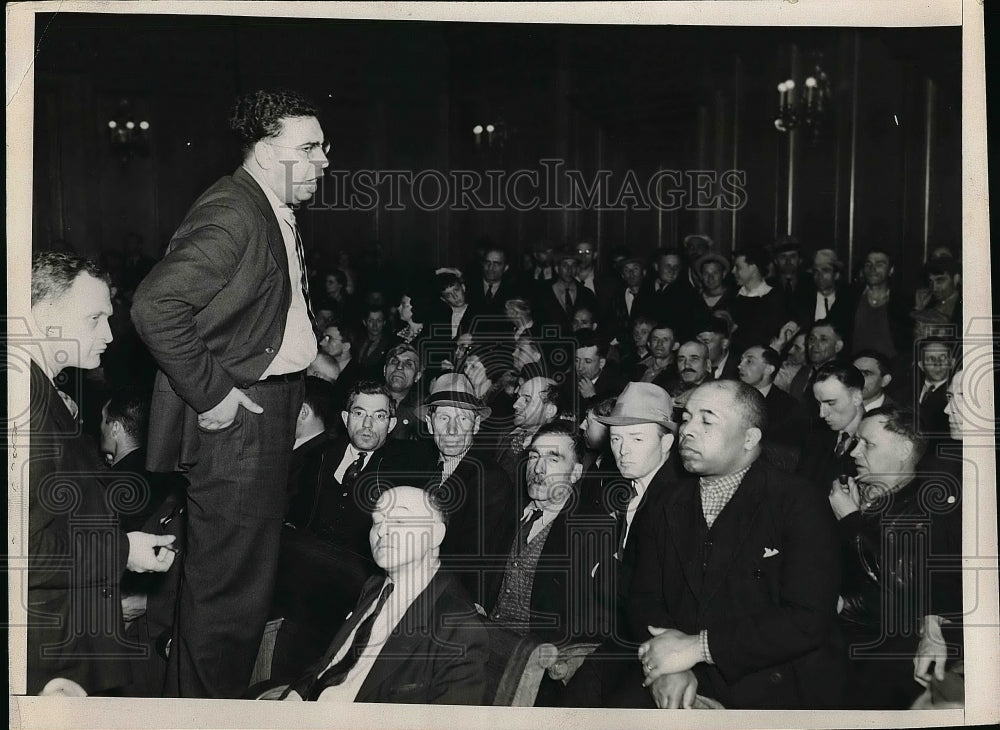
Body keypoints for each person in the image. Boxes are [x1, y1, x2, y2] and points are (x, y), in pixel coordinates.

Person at [131, 90, 327, 697]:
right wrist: (214, 394)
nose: (324, 161)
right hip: (237, 420)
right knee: (230, 603)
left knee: (228, 589)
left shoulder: (264, 203)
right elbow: (154, 306)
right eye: (310, 148)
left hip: (263, 410)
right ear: (267, 152)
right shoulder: (236, 210)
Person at [627, 380, 845, 709]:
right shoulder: (666, 501)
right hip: (679, 675)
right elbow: (643, 597)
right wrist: (667, 669)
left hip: (771, 684)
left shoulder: (797, 500)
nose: (687, 430)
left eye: (707, 420)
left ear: (749, 438)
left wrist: (698, 649)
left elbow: (808, 618)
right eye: (686, 417)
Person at [28, 252, 175, 696]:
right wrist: (122, 551)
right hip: (51, 658)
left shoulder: (41, 391)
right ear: (43, 315)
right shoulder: (26, 405)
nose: (109, 334)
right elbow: (26, 553)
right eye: (95, 319)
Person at [277, 487, 490, 704]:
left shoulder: (458, 627)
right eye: (377, 520)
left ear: (435, 535)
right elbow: (335, 659)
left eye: (399, 521)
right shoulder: (375, 586)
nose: (381, 530)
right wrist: (297, 694)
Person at [829, 406, 962, 709]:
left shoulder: (926, 510)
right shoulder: (863, 494)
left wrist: (851, 521)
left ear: (903, 450)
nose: (854, 452)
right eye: (856, 442)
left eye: (867, 444)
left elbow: (898, 594)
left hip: (877, 651)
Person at [416, 373, 515, 601]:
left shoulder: (490, 480)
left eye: (462, 419)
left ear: (476, 426)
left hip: (448, 601)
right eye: (443, 418)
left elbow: (472, 563)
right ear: (430, 425)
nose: (452, 429)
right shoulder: (420, 468)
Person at [797, 362, 866, 493]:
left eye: (831, 402)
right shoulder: (816, 435)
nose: (822, 414)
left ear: (857, 397)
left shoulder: (875, 441)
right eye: (819, 403)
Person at [382, 343, 424, 441]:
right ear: (384, 370)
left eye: (408, 364)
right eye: (394, 361)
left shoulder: (422, 408)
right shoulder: (365, 398)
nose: (399, 367)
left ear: (417, 376)